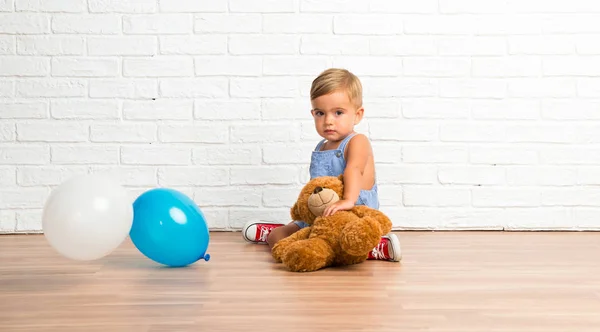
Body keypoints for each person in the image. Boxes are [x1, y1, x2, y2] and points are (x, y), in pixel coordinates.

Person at [242, 68, 401, 262]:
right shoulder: (321, 146)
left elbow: (354, 169)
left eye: (338, 113)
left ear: (357, 115)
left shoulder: (357, 141)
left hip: (352, 215)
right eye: (320, 113)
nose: (328, 121)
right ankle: (280, 239)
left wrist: (348, 200)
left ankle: (376, 247)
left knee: (350, 241)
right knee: (278, 237)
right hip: (322, 218)